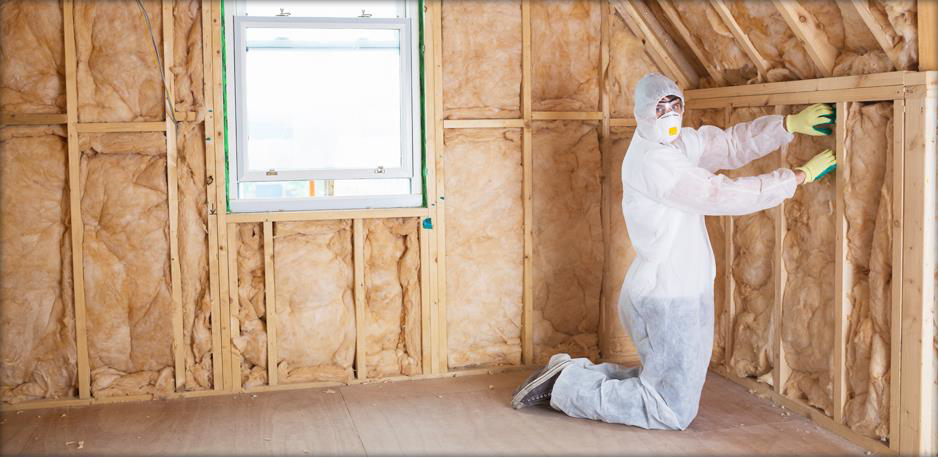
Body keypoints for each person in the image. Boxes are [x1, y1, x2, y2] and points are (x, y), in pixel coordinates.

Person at [510, 72, 836, 430]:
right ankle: (567, 386)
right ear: (643, 113)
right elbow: (718, 194)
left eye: (675, 105)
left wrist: (787, 125)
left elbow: (728, 145)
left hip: (688, 288)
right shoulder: (654, 162)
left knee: (668, 386)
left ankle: (573, 373)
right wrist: (795, 179)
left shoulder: (676, 145)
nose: (669, 114)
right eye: (660, 107)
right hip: (665, 296)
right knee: (670, 409)